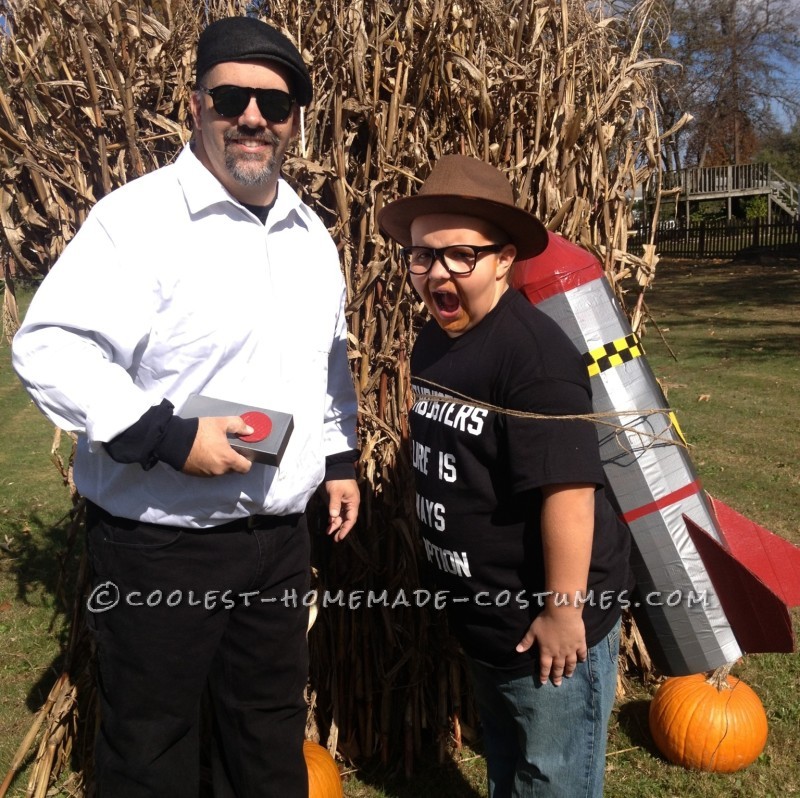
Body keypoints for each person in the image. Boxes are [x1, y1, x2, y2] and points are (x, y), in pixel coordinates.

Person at [12, 16, 359, 798]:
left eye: (275, 104)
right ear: (195, 104)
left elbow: (328, 366)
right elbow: (49, 346)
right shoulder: (136, 222)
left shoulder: (311, 235)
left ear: (295, 119)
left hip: (275, 537)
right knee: (151, 743)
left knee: (267, 731)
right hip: (161, 540)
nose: (253, 117)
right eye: (232, 96)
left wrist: (339, 460)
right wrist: (165, 436)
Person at [377, 155, 632, 798]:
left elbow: (569, 494)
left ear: (503, 260)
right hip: (488, 618)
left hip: (546, 625)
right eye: (422, 256)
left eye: (460, 255)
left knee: (551, 778)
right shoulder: (435, 343)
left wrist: (561, 611)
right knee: (508, 760)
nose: (437, 272)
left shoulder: (533, 359)